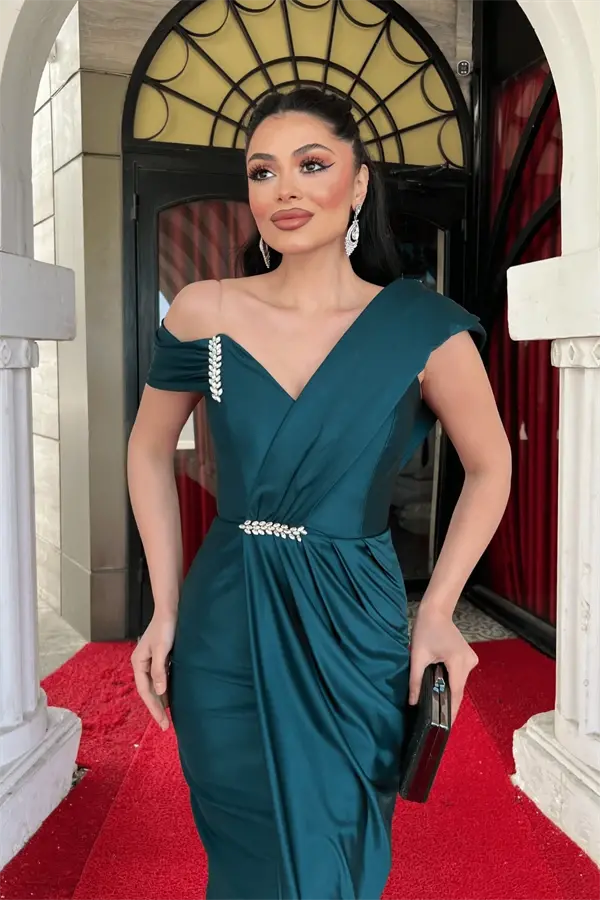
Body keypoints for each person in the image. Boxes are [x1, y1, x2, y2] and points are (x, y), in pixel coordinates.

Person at [127, 86, 512, 900]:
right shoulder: (206, 311)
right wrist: (164, 607)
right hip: (226, 621)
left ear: (359, 183)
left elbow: (491, 466)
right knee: (244, 853)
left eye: (311, 164)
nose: (284, 190)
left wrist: (438, 610)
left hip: (356, 629)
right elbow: (149, 449)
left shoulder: (425, 328)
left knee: (338, 853)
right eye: (263, 172)